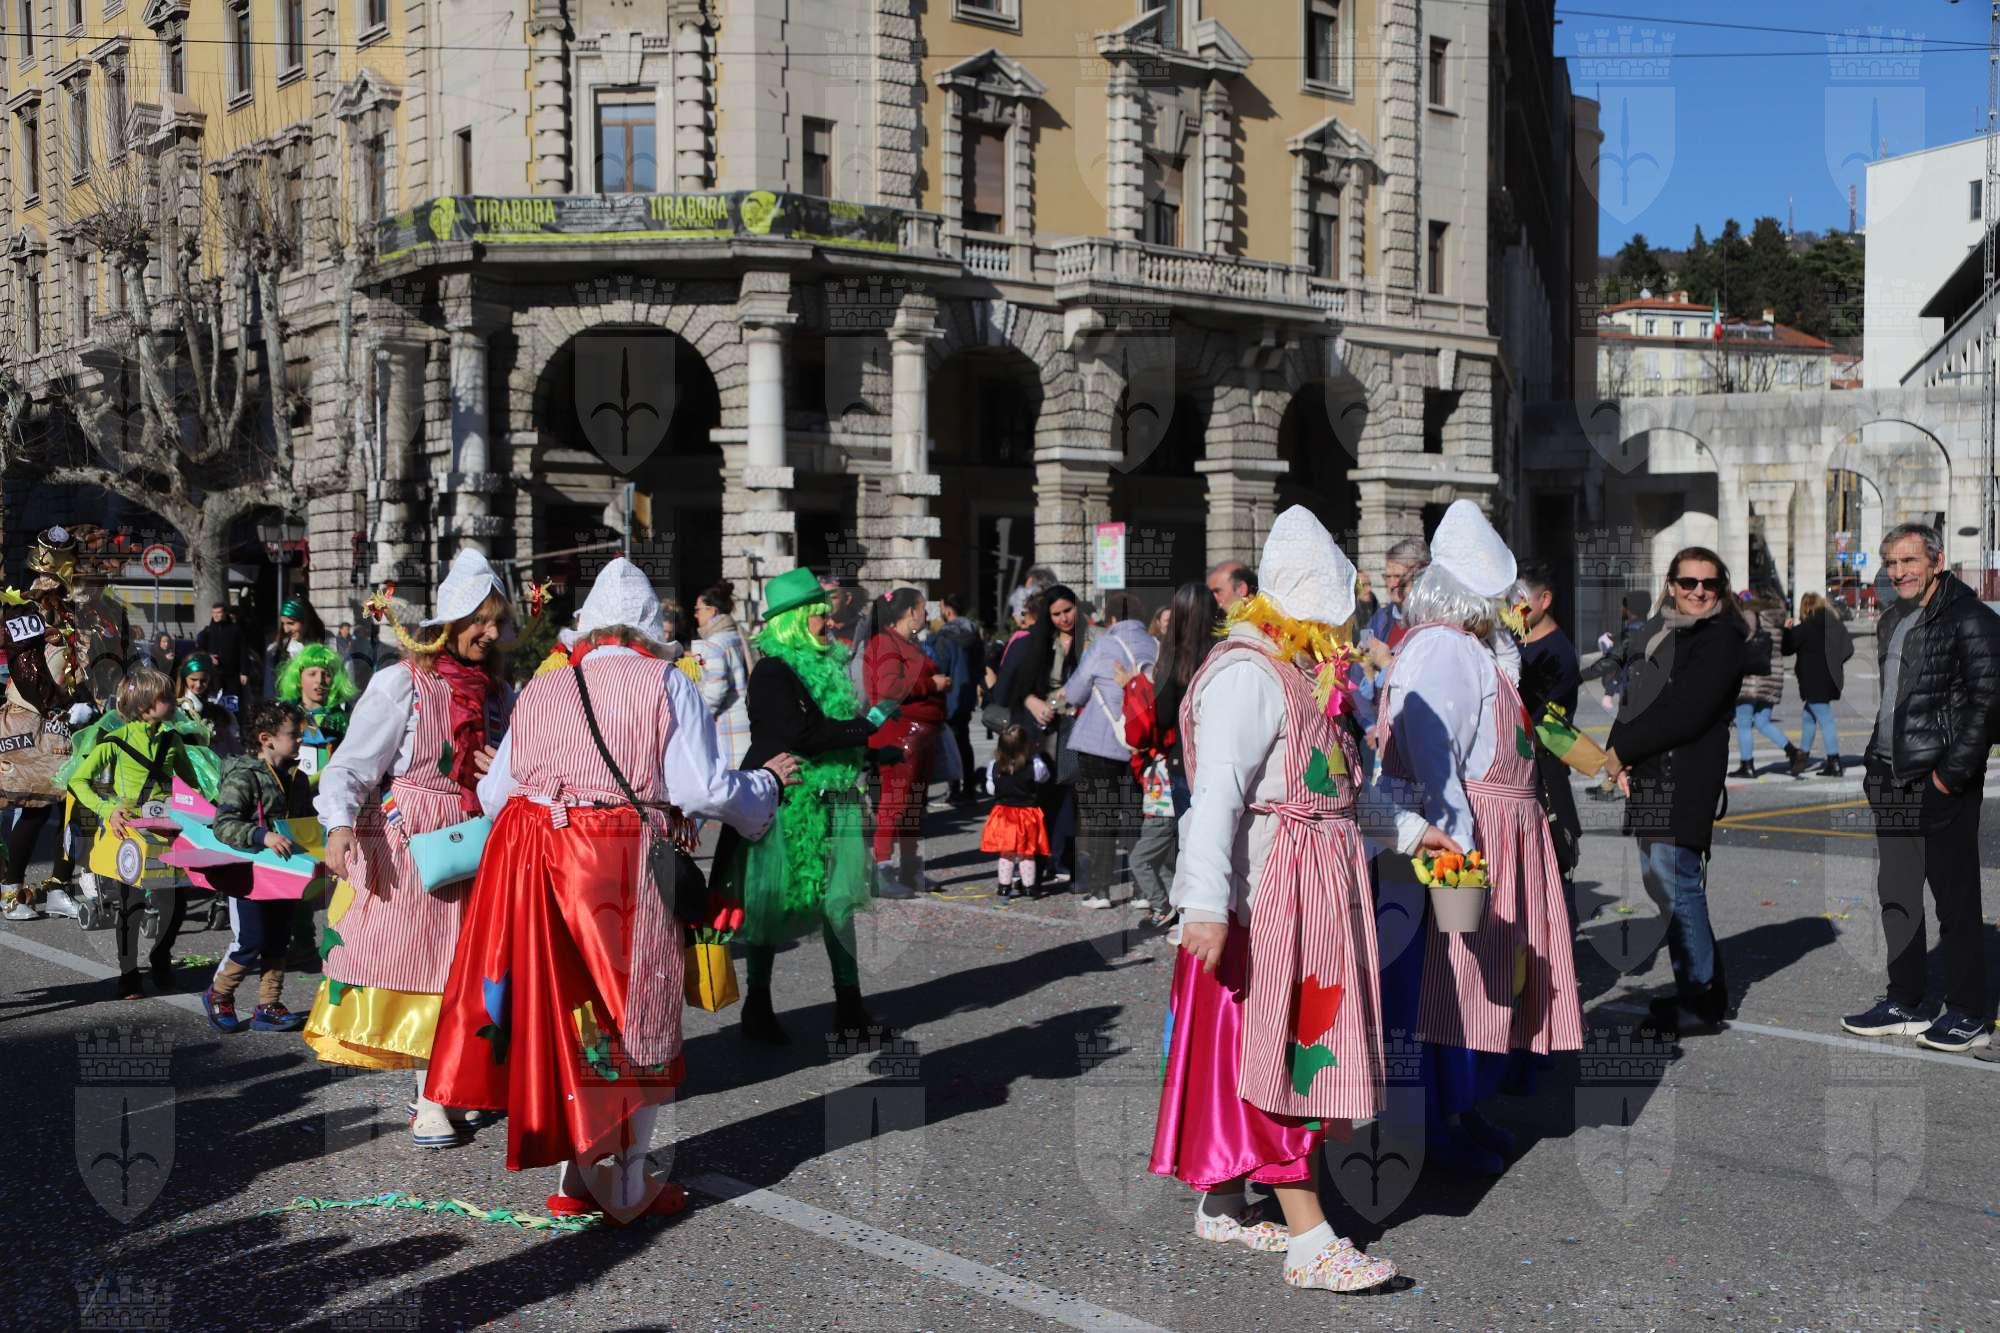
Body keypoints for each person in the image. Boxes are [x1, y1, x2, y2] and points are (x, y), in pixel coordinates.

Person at [427, 558, 795, 1223]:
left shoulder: (544, 686)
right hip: (618, 856)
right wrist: (765, 786)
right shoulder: (667, 682)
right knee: (636, 1008)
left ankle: (577, 1175)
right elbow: (702, 789)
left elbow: (496, 792)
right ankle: (623, 1183)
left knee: (568, 1009)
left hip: (533, 856)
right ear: (650, 628)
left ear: (589, 626)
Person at [1152, 506, 1396, 1296]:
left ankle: (1224, 1200)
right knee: (1297, 1052)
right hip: (1269, 901)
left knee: (1250, 1053)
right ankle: (1310, 1239)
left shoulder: (1298, 669)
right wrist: (1204, 906)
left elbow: (1337, 790)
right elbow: (1215, 796)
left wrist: (1412, 827)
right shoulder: (1249, 673)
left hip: (1304, 891)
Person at [1366, 502, 1583, 1171]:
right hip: (1462, 837)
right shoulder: (1445, 648)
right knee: (1446, 987)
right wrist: (1456, 853)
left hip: (1488, 830)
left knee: (1472, 987)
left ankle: (1459, 1109)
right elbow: (1437, 759)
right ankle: (1435, 1123)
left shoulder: (1468, 646)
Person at [306, 548, 515, 1149]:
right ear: (449, 623)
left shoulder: (501, 695)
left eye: (497, 623)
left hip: (479, 839)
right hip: (412, 844)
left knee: (467, 969)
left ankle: (450, 1083)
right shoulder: (403, 683)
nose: (490, 633)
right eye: (479, 621)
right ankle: (430, 1098)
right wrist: (339, 825)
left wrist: (502, 774)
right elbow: (352, 764)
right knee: (425, 966)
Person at [718, 568, 904, 1045]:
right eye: (818, 614)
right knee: (771, 903)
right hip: (790, 804)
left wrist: (872, 753)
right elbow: (801, 734)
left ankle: (850, 1007)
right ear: (795, 620)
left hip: (835, 800)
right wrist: (866, 726)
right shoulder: (772, 671)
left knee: (839, 904)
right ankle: (758, 1006)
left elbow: (828, 734)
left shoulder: (826, 666)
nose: (827, 621)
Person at [1841, 523, 2000, 1054]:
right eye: (1891, 562)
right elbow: (1894, 703)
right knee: (1897, 895)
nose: (1899, 571)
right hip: (1890, 776)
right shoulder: (1893, 619)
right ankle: (1905, 1001)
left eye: (1909, 560)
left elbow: (1988, 705)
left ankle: (1968, 1013)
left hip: (1939, 782)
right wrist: (1875, 763)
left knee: (1955, 902)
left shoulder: (1971, 619)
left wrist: (1949, 776)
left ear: (1936, 561)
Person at [1601, 547, 1748, 1037]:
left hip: (1684, 777)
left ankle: (1701, 1000)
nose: (1698, 592)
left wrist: (1623, 750)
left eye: (1709, 584)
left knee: (1678, 883)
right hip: (1652, 772)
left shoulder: (1721, 637)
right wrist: (1617, 751)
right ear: (1671, 585)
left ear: (1721, 587)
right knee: (1661, 883)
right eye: (1688, 583)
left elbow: (1688, 712)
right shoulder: (1661, 630)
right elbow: (1635, 696)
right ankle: (1699, 986)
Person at [65, 668, 207, 999]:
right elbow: (78, 781)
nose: (174, 701)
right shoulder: (116, 740)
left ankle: (161, 957)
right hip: (129, 833)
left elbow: (191, 785)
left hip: (168, 831)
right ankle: (128, 974)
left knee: (176, 903)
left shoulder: (173, 740)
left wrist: (197, 810)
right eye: (166, 697)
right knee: (131, 906)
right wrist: (107, 809)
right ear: (144, 705)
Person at [199, 700, 318, 1034]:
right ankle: (219, 994)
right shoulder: (245, 775)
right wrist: (261, 835)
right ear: (267, 739)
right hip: (248, 876)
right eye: (293, 734)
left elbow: (306, 822)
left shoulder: (298, 778)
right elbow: (224, 824)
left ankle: (268, 1004)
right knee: (250, 941)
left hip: (285, 873)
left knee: (279, 939)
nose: (300, 740)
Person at [0, 528, 96, 921]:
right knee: (36, 806)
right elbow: (26, 666)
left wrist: (85, 702)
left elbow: (76, 665)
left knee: (75, 803)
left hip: (67, 716)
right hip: (32, 717)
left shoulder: (71, 612)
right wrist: (59, 706)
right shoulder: (22, 608)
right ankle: (11, 892)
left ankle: (58, 885)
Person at [1125, 581, 1218, 928]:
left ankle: (1190, 916)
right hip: (1220, 758)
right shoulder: (1223, 652)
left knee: (1187, 841)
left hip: (1183, 759)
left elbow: (1163, 716)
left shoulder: (1171, 657)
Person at [1062, 590, 1157, 909]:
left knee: (1100, 815)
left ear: (1112, 618)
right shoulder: (1156, 646)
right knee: (1136, 815)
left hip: (1100, 742)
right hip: (1141, 744)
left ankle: (1101, 890)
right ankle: (1143, 890)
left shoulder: (1104, 645)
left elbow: (1075, 692)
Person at [997, 584, 1092, 886]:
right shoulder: (1036, 642)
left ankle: (1072, 864)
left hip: (1080, 725)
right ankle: (1036, 866)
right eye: (1056, 614)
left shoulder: (1091, 639)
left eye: (1068, 610)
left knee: (1075, 798)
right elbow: (1016, 687)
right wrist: (1032, 701)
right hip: (1043, 728)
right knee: (1041, 797)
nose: (1064, 618)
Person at [863, 588, 950, 897]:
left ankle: (911, 868)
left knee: (913, 803)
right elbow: (889, 688)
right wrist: (931, 684)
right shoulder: (885, 642)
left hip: (916, 733)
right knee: (894, 801)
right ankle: (883, 868)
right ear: (911, 612)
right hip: (899, 733)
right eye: (923, 608)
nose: (927, 614)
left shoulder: (904, 643)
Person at [1514, 560, 1583, 904]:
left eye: (1521, 601)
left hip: (1544, 775)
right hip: (1519, 774)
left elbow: (1538, 720)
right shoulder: (1514, 640)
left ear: (1545, 600)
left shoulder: (1559, 655)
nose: (1514, 609)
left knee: (1553, 875)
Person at [1350, 537, 1431, 746]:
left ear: (1420, 576)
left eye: (1399, 577)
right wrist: (1371, 725)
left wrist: (1387, 665)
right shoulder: (1377, 618)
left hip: (1415, 737)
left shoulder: (1431, 624)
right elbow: (1356, 675)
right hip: (1378, 738)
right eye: (1388, 576)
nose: (1392, 584)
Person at [1733, 589, 1806, 779]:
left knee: (1743, 722)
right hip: (1773, 677)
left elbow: (1745, 638)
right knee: (1762, 721)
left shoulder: (1751, 614)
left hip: (1752, 677)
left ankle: (1747, 765)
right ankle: (1792, 751)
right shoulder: (1777, 619)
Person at [1784, 591, 1853, 777]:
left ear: (1805, 608)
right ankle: (1802, 757)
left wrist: (1787, 631)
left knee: (1825, 717)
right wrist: (1835, 663)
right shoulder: (1835, 624)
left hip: (1813, 679)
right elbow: (1849, 648)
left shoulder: (1806, 627)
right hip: (1831, 678)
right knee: (1809, 716)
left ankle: (1834, 761)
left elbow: (1787, 648)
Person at [980, 725, 1050, 901]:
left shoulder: (994, 766)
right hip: (1027, 814)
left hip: (1004, 814)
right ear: (1026, 746)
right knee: (1027, 852)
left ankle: (1004, 887)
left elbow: (990, 789)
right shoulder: (1034, 765)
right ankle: (1029, 887)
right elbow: (1045, 777)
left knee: (1007, 853)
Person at [691, 580, 754, 767]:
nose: (695, 615)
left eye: (698, 609)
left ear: (711, 611)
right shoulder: (739, 635)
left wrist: (694, 716)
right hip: (747, 721)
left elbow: (714, 691)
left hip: (729, 730)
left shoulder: (714, 644)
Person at [929, 594, 983, 803]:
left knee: (950, 744)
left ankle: (954, 788)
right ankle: (968, 787)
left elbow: (940, 668)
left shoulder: (945, 635)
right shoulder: (973, 633)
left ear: (947, 609)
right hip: (967, 693)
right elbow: (980, 664)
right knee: (964, 741)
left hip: (949, 695)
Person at [278, 643, 357, 779]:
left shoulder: (343, 719)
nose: (320, 680)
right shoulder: (284, 716)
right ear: (298, 679)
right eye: (312, 674)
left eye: (326, 674)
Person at [195, 601, 249, 702]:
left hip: (232, 675)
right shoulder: (208, 631)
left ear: (225, 613)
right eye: (213, 612)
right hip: (213, 674)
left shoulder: (236, 630)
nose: (215, 615)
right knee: (213, 702)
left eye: (219, 612)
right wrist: (208, 656)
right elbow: (199, 649)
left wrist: (244, 672)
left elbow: (243, 652)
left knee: (232, 704)